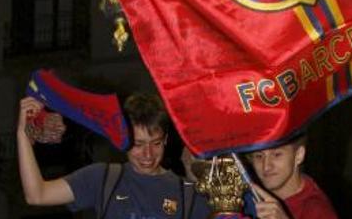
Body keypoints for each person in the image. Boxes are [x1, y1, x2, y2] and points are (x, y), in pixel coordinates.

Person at [17, 92, 210, 219]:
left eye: (156, 143)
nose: (148, 154)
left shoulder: (187, 192)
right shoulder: (103, 178)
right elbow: (37, 194)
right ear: (122, 140)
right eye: (138, 144)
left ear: (166, 140)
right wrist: (23, 134)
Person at [247, 135, 338, 219]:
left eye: (277, 155)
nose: (266, 166)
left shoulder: (316, 210)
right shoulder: (249, 198)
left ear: (299, 155)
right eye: (259, 156)